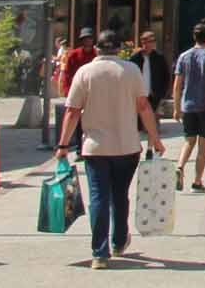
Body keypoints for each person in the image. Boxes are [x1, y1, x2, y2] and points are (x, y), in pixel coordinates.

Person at [56, 27, 164, 270]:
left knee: (99, 197)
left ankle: (99, 253)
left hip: (95, 148)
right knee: (119, 195)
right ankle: (119, 241)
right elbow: (144, 106)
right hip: (127, 145)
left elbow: (72, 111)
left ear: (98, 47)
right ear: (119, 48)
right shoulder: (131, 70)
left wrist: (63, 144)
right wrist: (154, 139)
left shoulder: (85, 72)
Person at [172, 24, 205, 193]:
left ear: (194, 37)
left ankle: (179, 166)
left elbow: (177, 85)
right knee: (203, 144)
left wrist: (176, 107)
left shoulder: (183, 56)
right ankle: (197, 181)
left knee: (189, 140)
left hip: (188, 105)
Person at [55, 27, 98, 140]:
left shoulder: (97, 55)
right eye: (85, 38)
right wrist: (68, 91)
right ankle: (79, 148)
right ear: (82, 40)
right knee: (77, 119)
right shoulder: (74, 55)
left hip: (94, 92)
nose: (88, 41)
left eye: (90, 38)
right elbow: (67, 74)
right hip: (78, 90)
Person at [132, 31, 171, 118]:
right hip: (139, 95)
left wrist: (162, 94)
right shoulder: (135, 58)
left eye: (153, 41)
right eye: (148, 41)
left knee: (152, 123)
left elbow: (166, 77)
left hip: (154, 96)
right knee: (139, 124)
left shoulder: (159, 58)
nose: (151, 44)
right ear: (142, 42)